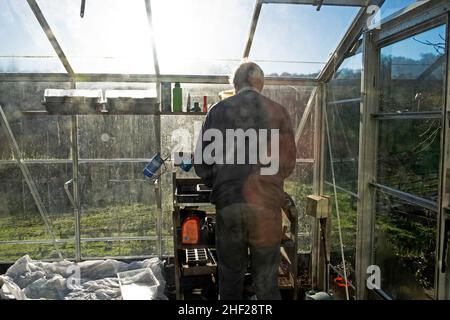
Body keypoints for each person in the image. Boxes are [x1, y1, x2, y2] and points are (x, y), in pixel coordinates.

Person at [194, 61, 296, 300]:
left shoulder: (217, 112)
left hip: (229, 205)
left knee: (229, 279)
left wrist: (222, 184)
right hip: (267, 208)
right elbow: (288, 164)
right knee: (267, 282)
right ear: (260, 83)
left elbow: (201, 165)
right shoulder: (278, 112)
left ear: (235, 84)